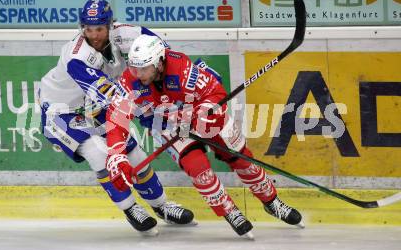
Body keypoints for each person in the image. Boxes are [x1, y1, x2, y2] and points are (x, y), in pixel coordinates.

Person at [105, 34, 304, 239]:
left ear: (159, 63)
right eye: (134, 67)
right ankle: (229, 210)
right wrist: (116, 155)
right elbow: (116, 119)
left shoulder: (182, 69)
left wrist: (201, 113)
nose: (137, 74)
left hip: (202, 115)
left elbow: (216, 94)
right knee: (198, 168)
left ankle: (271, 201)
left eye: (144, 68)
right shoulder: (130, 80)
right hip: (166, 124)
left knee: (241, 159)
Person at [37, 0, 195, 235]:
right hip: (60, 110)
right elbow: (110, 96)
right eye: (88, 29)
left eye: (99, 28)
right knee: (98, 153)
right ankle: (130, 208)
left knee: (135, 153)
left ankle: (161, 207)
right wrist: (147, 112)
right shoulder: (76, 57)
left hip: (92, 105)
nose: (94, 35)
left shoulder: (129, 35)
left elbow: (164, 57)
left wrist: (174, 99)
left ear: (110, 25)